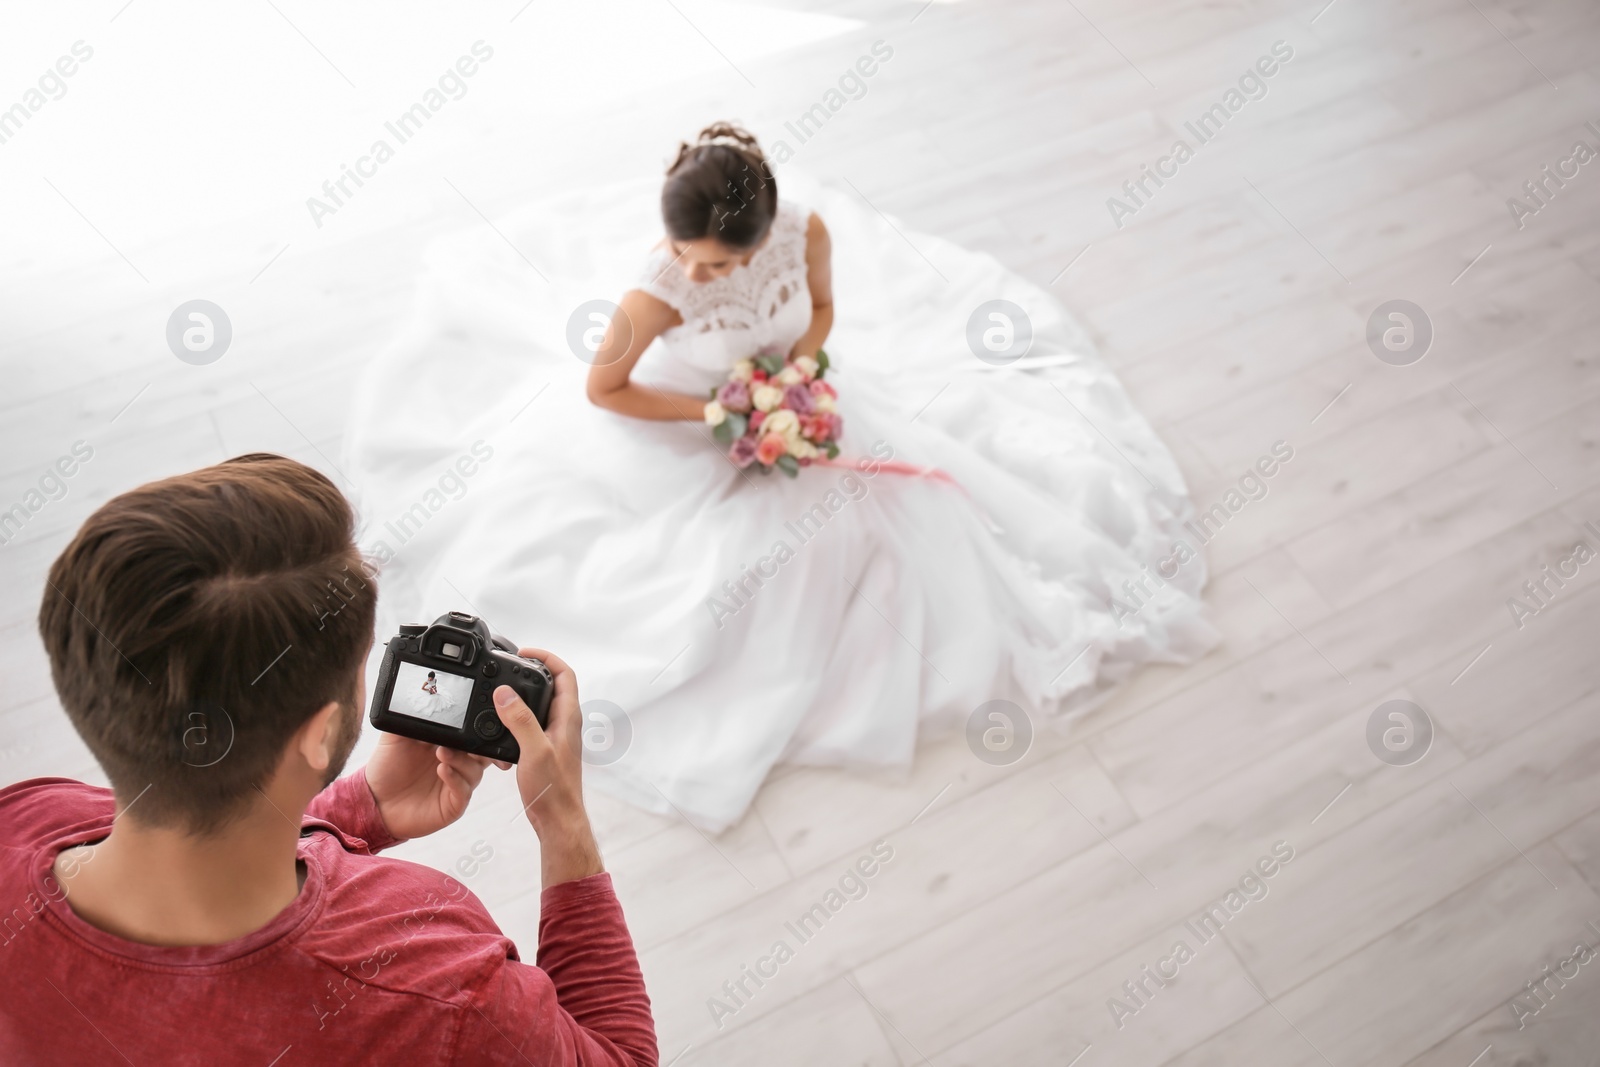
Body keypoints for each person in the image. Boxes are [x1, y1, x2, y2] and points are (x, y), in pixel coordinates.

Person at [345, 122, 1219, 834]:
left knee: (896, 520)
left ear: (761, 238)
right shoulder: (656, 291)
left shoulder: (805, 229)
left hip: (778, 394)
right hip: (674, 419)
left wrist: (795, 377)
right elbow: (604, 388)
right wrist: (727, 413)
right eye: (688, 256)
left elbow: (824, 310)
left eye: (718, 265)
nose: (698, 275)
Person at [0, 454, 657, 1066]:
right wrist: (563, 824)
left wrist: (358, 810)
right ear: (320, 732)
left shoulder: (22, 817)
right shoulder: (438, 982)